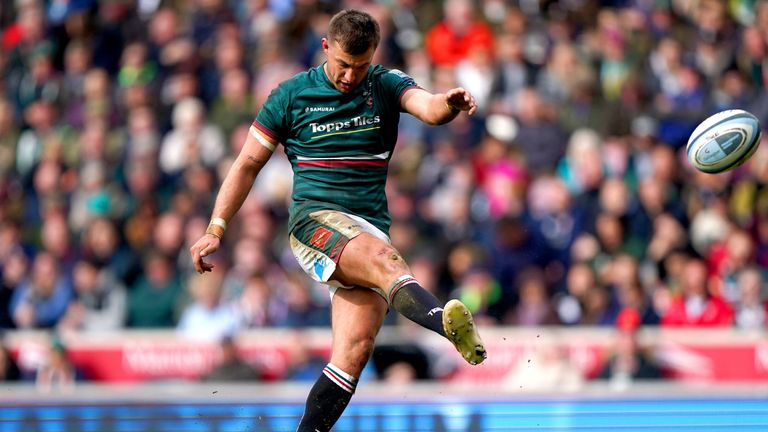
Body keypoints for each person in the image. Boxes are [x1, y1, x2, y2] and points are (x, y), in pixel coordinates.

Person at [189, 9, 486, 432]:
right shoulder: (290, 96)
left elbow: (427, 106)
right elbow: (246, 165)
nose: (350, 76)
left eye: (359, 66)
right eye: (343, 64)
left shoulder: (384, 83)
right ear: (326, 47)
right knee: (388, 263)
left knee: (353, 353)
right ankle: (445, 323)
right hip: (316, 223)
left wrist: (449, 104)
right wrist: (215, 228)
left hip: (368, 227)